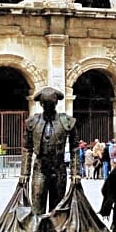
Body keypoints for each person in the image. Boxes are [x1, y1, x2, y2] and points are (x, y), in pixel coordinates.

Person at [19, 87, 78, 216]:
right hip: (40, 167)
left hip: (59, 166)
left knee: (57, 208)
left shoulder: (67, 121)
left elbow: (75, 148)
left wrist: (75, 173)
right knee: (37, 204)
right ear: (41, 104)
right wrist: (24, 173)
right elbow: (27, 149)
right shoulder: (32, 122)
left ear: (56, 103)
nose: (48, 106)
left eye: (51, 103)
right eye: (45, 104)